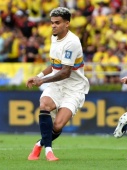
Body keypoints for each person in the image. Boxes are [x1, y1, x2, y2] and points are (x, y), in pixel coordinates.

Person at [26, 7, 89, 161]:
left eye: (57, 23)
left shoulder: (72, 42)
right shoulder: (54, 37)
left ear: (67, 24)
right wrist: (39, 75)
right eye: (52, 22)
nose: (53, 26)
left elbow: (66, 72)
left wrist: (43, 81)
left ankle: (39, 145)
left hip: (74, 88)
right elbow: (55, 65)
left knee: (58, 126)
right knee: (44, 104)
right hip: (57, 84)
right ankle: (49, 151)